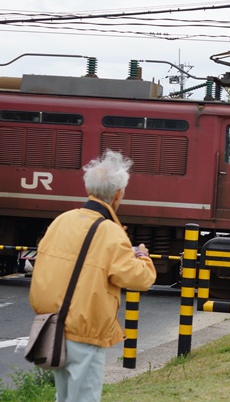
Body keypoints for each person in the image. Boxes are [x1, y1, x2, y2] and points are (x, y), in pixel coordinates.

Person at [29, 150, 157, 401]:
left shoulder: (61, 220)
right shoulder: (111, 232)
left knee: (63, 397)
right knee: (84, 397)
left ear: (89, 188)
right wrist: (142, 256)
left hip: (53, 327)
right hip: (85, 330)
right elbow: (138, 279)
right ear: (118, 194)